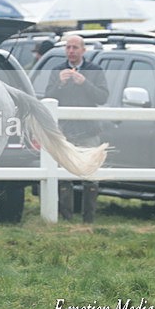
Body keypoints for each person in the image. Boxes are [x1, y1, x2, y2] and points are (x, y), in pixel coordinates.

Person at [44, 35, 108, 223]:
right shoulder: (57, 71)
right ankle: (66, 219)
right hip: (64, 132)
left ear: (83, 50)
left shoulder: (95, 70)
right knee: (64, 177)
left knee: (91, 176)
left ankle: (89, 219)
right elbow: (47, 98)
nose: (71, 51)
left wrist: (84, 82)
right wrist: (60, 83)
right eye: (68, 47)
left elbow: (103, 97)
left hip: (89, 130)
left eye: (75, 47)